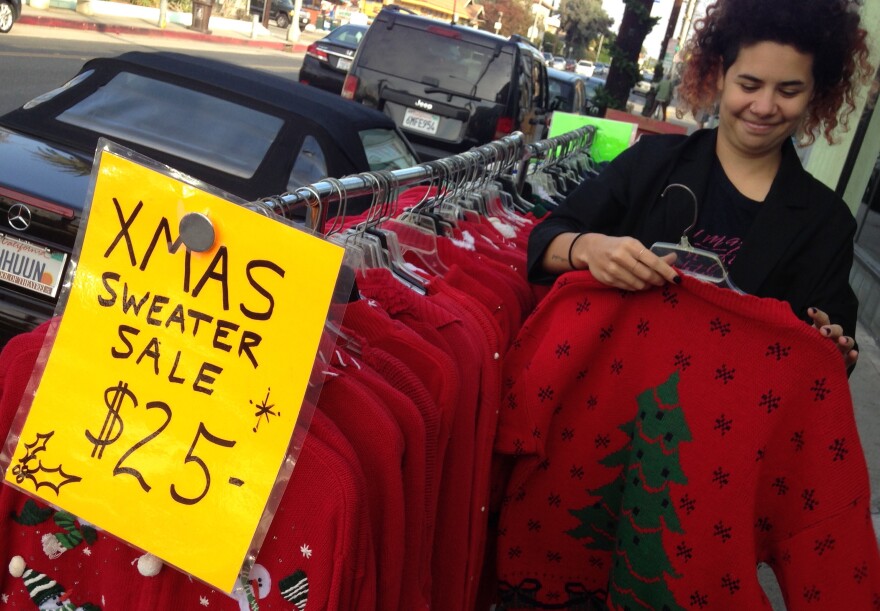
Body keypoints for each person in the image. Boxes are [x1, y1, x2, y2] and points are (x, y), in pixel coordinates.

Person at [527, 0, 872, 370]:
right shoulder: (652, 162)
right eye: (750, 84)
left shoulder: (827, 223)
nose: (764, 105)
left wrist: (830, 351)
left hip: (730, 420)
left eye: (789, 91)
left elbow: (836, 357)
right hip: (609, 390)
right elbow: (545, 241)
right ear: (721, 75)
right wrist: (589, 248)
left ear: (815, 93)